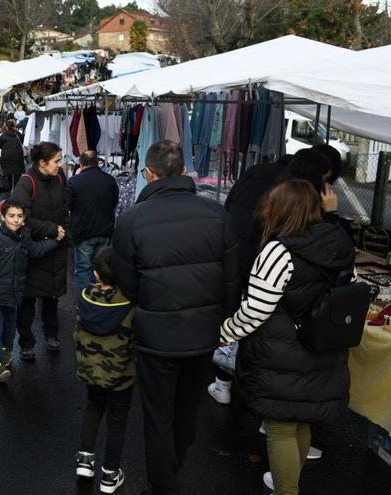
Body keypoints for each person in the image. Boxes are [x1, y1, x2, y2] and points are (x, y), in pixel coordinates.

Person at [112, 140, 239, 495]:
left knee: (157, 413)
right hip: (202, 334)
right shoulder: (217, 214)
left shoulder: (132, 220)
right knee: (187, 409)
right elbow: (232, 278)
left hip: (156, 335)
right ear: (184, 172)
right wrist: (221, 319)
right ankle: (173, 470)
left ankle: (163, 484)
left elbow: (127, 283)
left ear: (149, 174)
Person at [220, 179, 355, 495]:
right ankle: (289, 482)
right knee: (302, 420)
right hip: (324, 349)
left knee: (280, 426)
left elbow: (256, 309)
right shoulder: (340, 244)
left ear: (279, 210)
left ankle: (286, 488)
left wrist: (226, 331)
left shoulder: (278, 251)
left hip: (281, 353)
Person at [74, 248, 135, 494]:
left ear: (96, 274)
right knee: (117, 421)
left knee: (93, 409)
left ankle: (85, 460)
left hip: (91, 370)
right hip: (121, 375)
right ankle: (110, 474)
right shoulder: (130, 303)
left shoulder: (86, 296)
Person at [0, 200, 58, 382]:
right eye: (11, 216)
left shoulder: (25, 236)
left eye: (19, 216)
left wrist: (55, 241)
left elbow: (36, 250)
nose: (15, 220)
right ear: (3, 217)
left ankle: (6, 353)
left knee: (10, 328)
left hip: (15, 293)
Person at [11, 142, 69, 359]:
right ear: (42, 163)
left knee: (52, 296)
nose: (59, 165)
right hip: (33, 250)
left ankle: (51, 335)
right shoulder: (26, 182)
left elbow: (64, 208)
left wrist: (64, 231)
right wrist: (52, 229)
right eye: (56, 161)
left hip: (55, 247)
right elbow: (20, 217)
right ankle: (26, 343)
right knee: (28, 301)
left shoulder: (59, 178)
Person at [66, 151, 119, 290]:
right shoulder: (110, 180)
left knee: (84, 268)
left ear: (81, 164)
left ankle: (87, 300)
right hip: (105, 230)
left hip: (83, 232)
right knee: (103, 268)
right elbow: (114, 202)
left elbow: (67, 205)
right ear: (97, 162)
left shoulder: (74, 182)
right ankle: (101, 298)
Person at [0, 119, 26, 197]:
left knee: (8, 176)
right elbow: (22, 142)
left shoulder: (3, 135)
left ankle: (8, 194)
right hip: (17, 158)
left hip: (6, 158)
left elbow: (0, 145)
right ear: (14, 126)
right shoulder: (18, 135)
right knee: (17, 176)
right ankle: (16, 194)